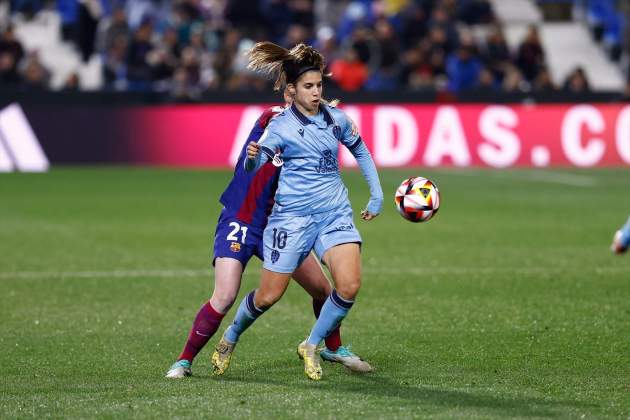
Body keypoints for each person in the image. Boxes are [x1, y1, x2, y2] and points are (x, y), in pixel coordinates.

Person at [165, 91, 372, 379]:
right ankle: (184, 361)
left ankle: (333, 348)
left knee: (323, 291)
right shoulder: (273, 119)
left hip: (279, 224)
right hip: (241, 218)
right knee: (224, 295)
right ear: (289, 92)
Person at [211, 41, 383, 381]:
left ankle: (312, 343)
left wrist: (376, 194)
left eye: (319, 85)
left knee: (348, 286)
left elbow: (360, 151)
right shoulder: (280, 127)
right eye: (308, 86)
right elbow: (255, 163)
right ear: (292, 90)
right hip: (291, 219)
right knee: (268, 295)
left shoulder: (336, 119)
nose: (316, 92)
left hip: (334, 214)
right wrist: (251, 157)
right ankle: (231, 334)